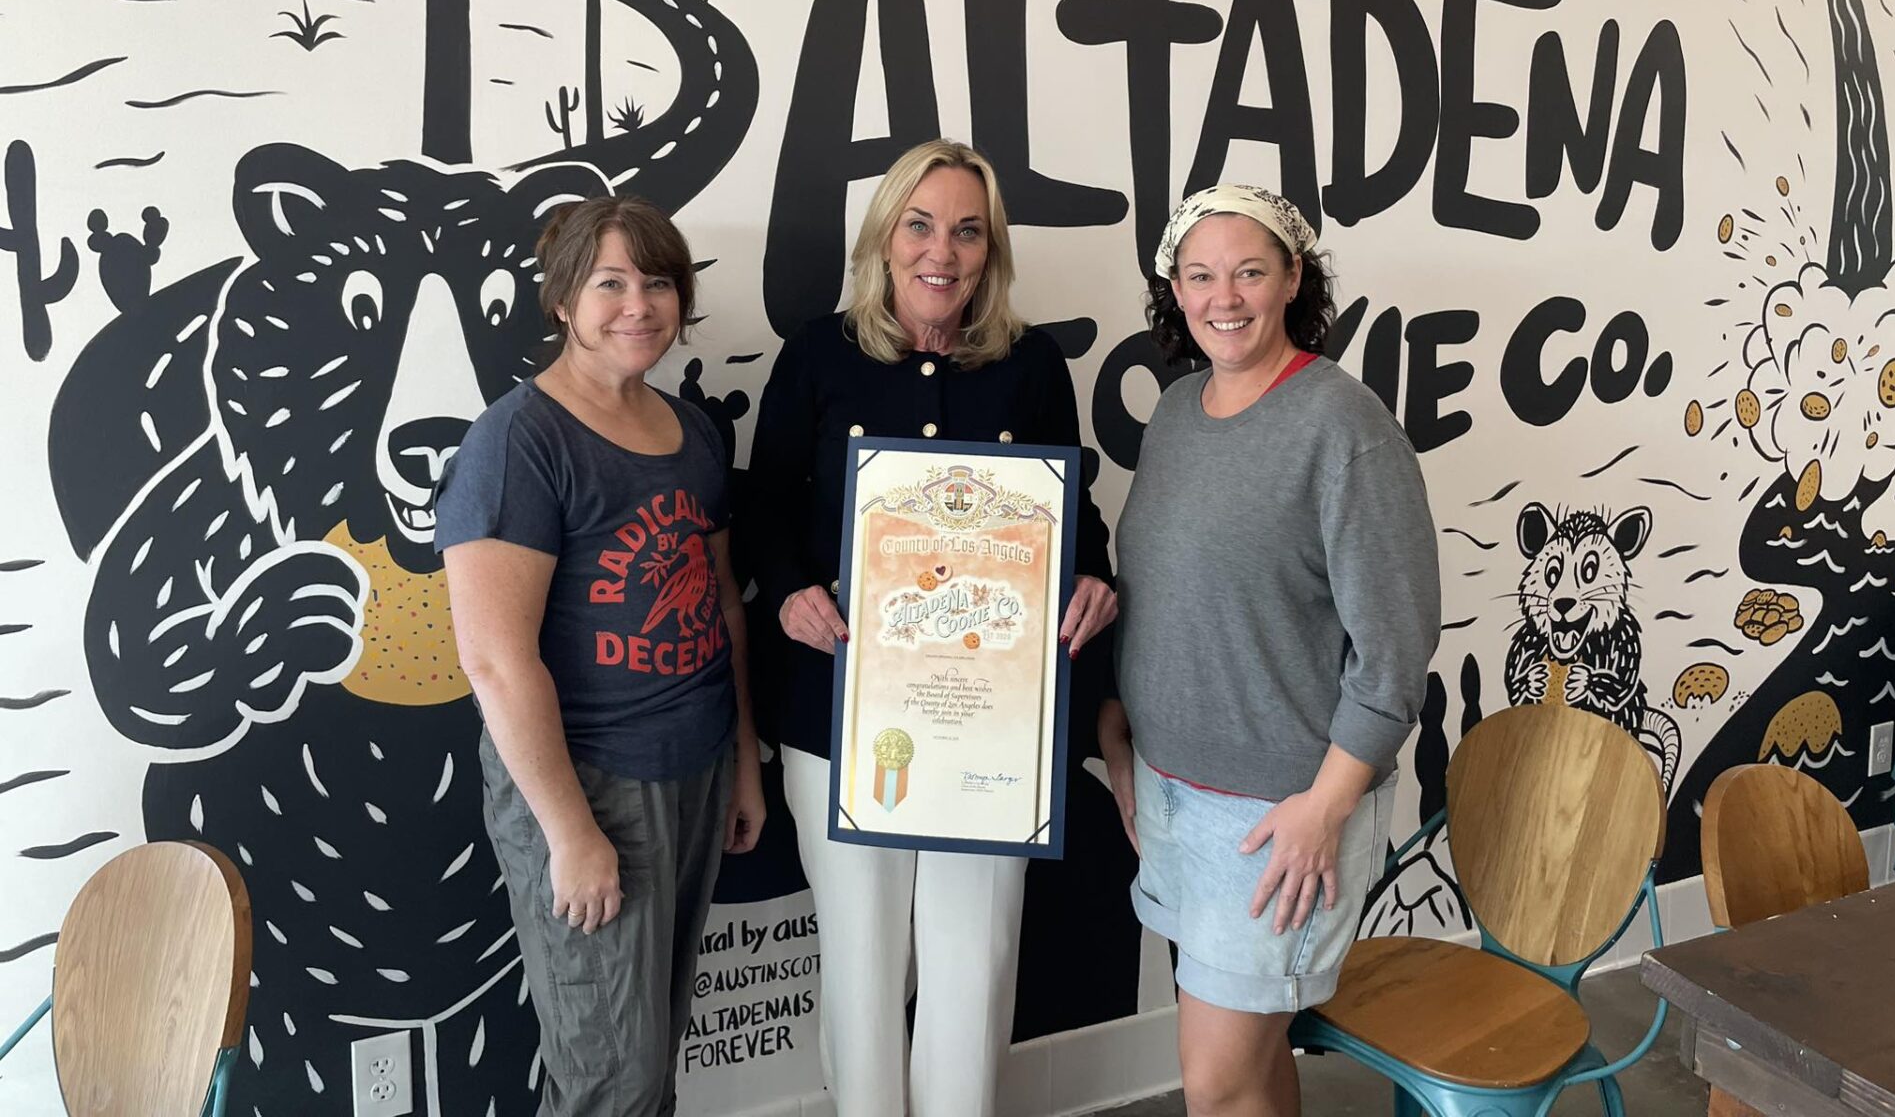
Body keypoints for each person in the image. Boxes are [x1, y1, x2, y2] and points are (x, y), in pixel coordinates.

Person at [745, 139, 1118, 1117]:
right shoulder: (819, 355)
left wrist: (1094, 575)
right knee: (863, 963)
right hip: (840, 707)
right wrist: (788, 591)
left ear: (991, 250)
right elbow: (766, 506)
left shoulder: (1032, 364)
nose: (940, 252)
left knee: (974, 959)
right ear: (885, 237)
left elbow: (1070, 513)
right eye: (919, 225)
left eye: (966, 231)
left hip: (992, 720)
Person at [1098, 184, 1440, 1117]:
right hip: (1171, 793)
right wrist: (1122, 733)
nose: (1225, 297)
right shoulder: (1178, 412)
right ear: (1175, 289)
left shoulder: (1344, 427)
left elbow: (1395, 649)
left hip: (1278, 814)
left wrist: (1326, 806)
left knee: (1215, 1084)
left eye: (1249, 271)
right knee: (1249, 1069)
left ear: (1293, 278)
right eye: (1201, 275)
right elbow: (1161, 590)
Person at [438, 195, 765, 1117]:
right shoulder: (518, 441)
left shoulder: (693, 430)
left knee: (650, 1059)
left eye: (658, 283)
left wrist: (743, 761)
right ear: (562, 300)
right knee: (608, 1079)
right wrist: (570, 833)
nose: (638, 305)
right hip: (590, 786)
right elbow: (495, 662)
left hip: (695, 767)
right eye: (609, 283)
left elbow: (721, 606)